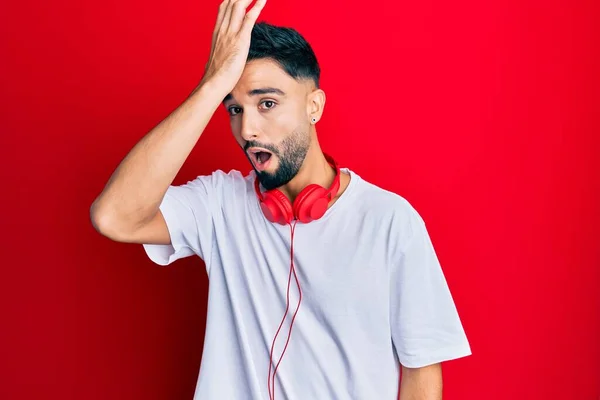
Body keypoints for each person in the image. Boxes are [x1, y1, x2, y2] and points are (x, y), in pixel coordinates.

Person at [90, 0, 472, 398]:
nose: (248, 128)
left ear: (314, 106)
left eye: (267, 103)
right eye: (234, 108)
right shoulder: (217, 204)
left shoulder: (389, 220)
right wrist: (212, 83)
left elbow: (422, 371)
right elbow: (114, 217)